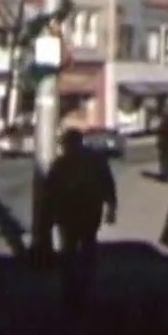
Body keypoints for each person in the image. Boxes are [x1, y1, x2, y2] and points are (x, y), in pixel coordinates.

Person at [45, 128, 117, 312]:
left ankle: (71, 292)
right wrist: (111, 207)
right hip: (88, 212)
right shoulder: (95, 160)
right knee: (87, 248)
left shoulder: (61, 164)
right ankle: (84, 288)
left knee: (69, 252)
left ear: (68, 144)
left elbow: (50, 192)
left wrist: (49, 216)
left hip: (68, 215)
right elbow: (108, 183)